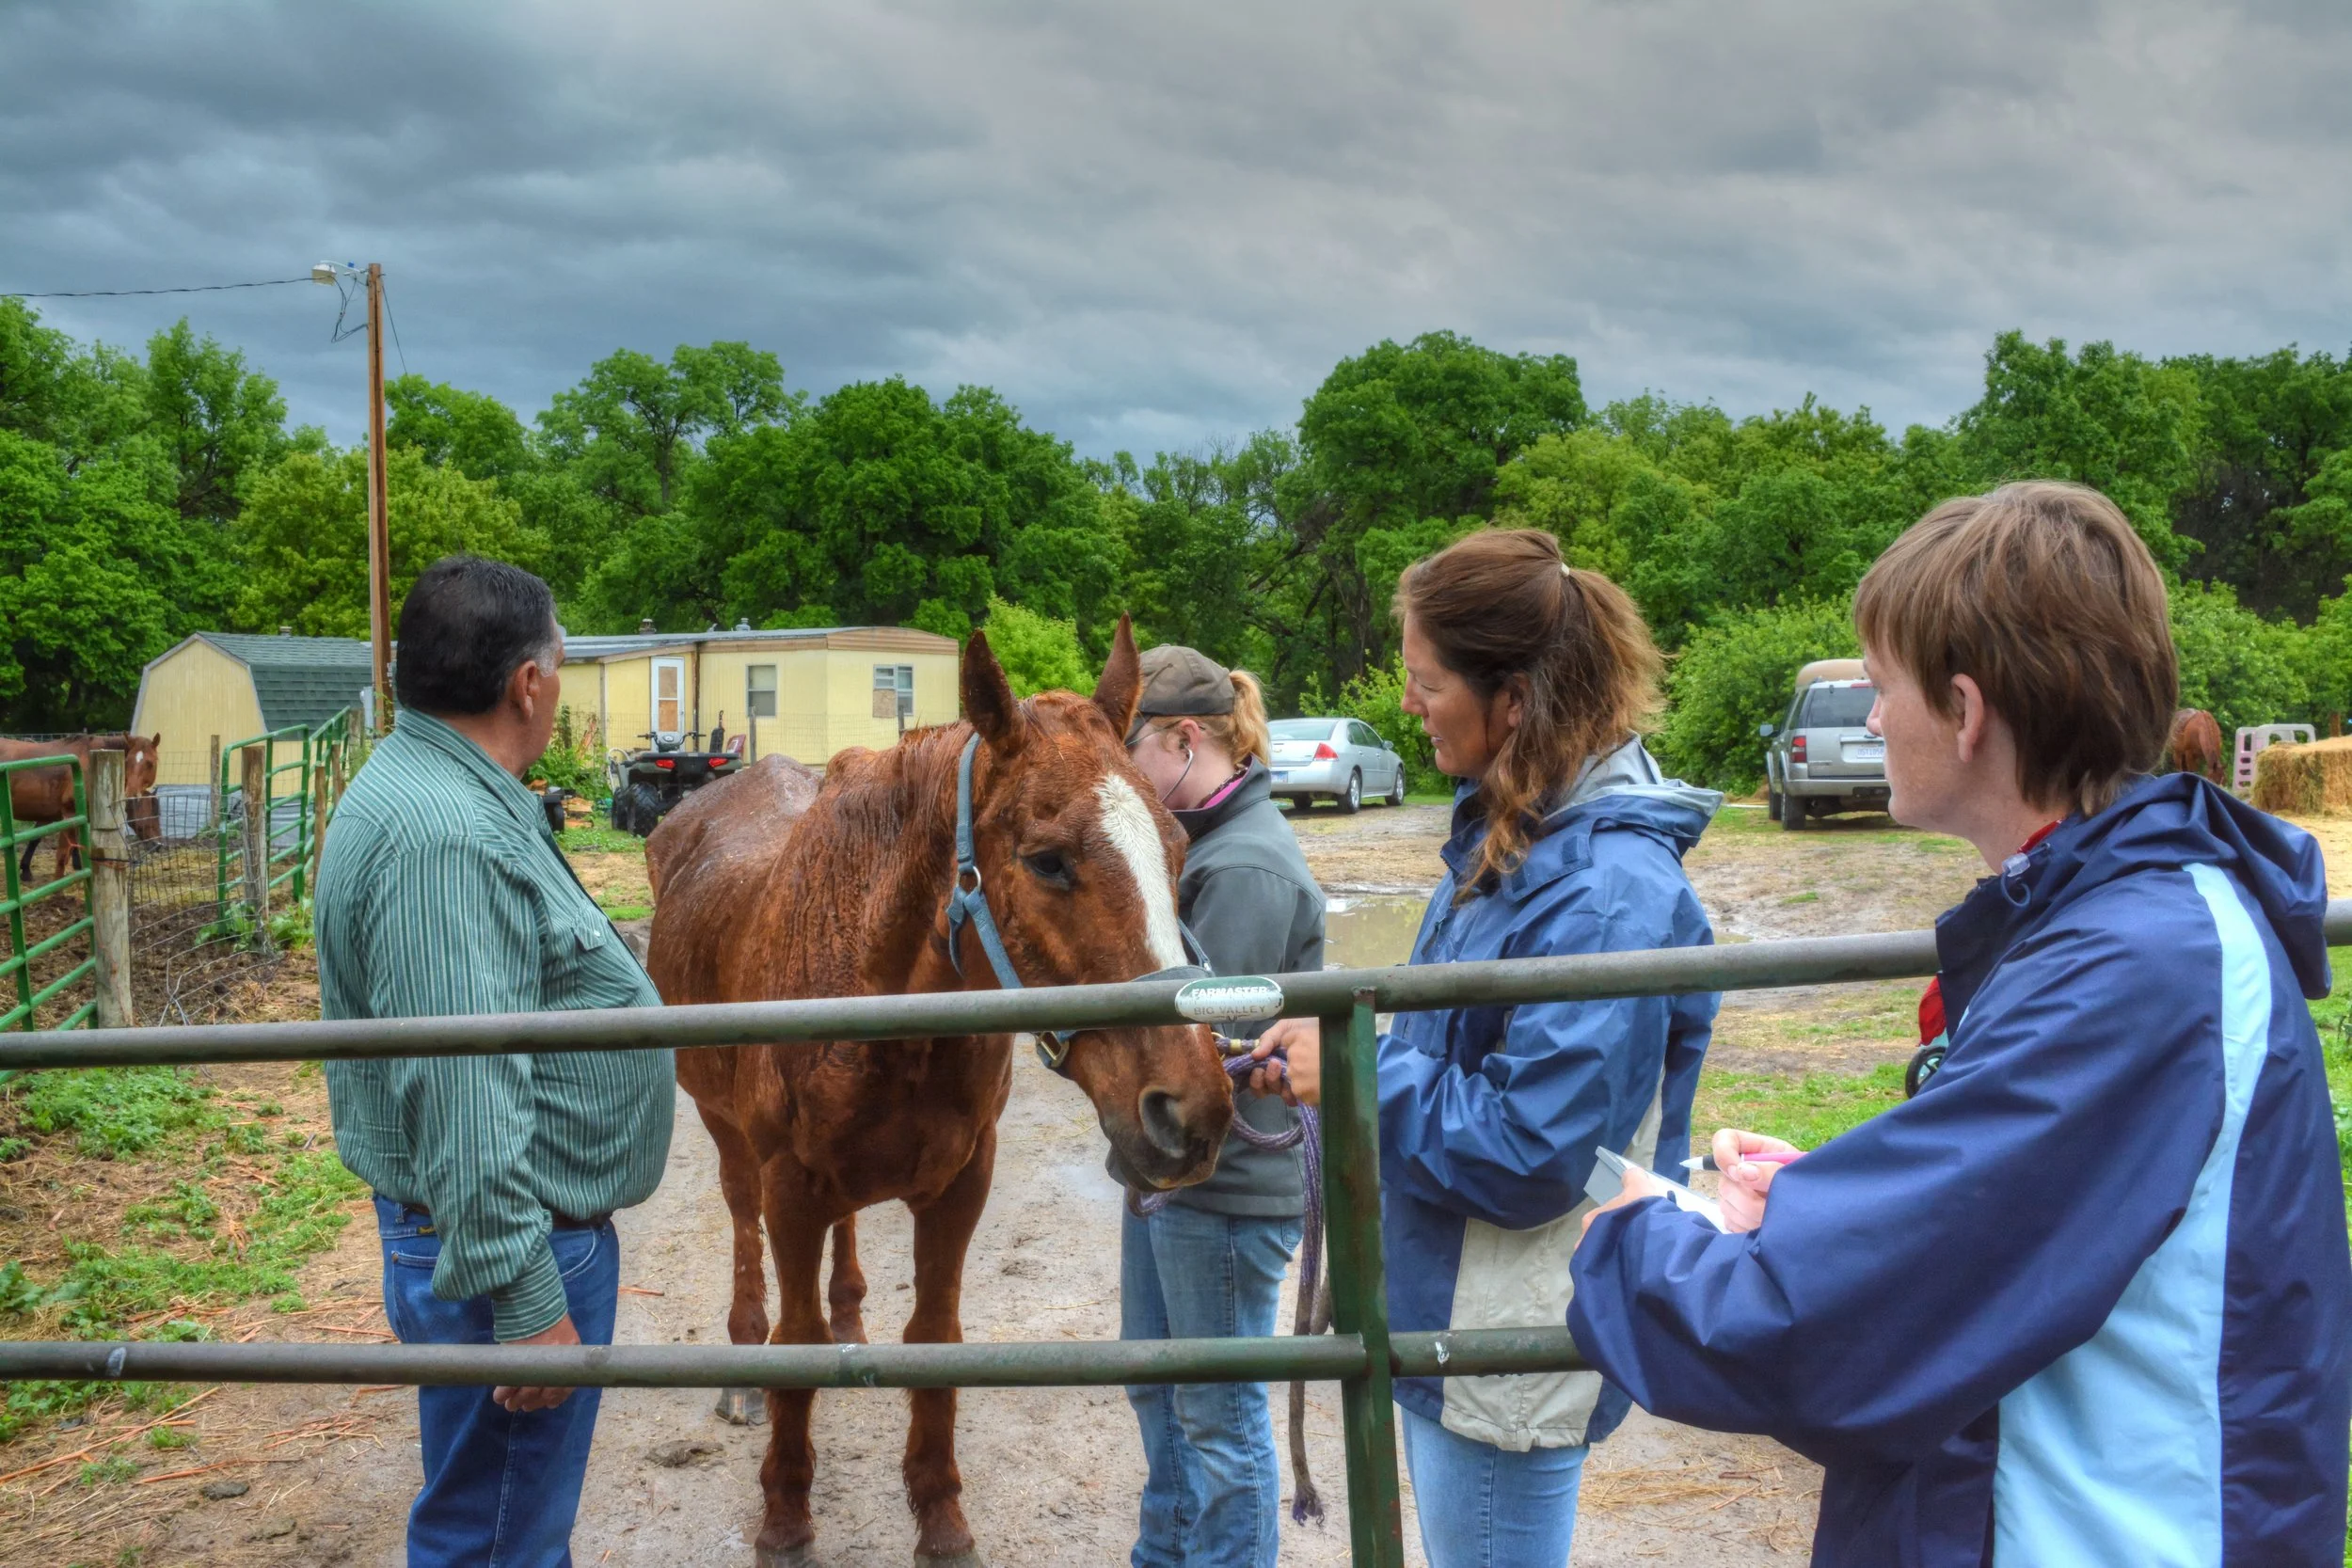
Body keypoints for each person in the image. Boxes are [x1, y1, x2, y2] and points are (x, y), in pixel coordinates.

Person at [1572, 482, 2352, 1565]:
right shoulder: (2119, 921)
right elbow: (2017, 1212)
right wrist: (1824, 1205)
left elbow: (1816, 1334)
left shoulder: (2128, 969)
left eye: (1880, 687)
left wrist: (1631, 1232)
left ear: (1965, 710)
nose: (1874, 717)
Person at [1250, 530, 1721, 1568]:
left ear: (1514, 699)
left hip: (1504, 1327)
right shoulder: (1513, 841)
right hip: (1453, 1304)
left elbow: (1537, 1148)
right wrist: (1348, 1059)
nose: (1407, 704)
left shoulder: (1605, 891)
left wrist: (1361, 1075)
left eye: (1425, 682)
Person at [317, 556, 675, 1567]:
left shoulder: (442, 787)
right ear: (528, 682)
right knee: (495, 1535)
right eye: (558, 663)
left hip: (493, 1230)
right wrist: (525, 1296)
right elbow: (462, 1084)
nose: (555, 683)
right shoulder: (444, 836)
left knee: (504, 1515)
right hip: (506, 1244)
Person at [1117, 643, 1324, 1568]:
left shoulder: (1244, 864)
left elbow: (1209, 1039)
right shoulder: (1197, 844)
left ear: (1183, 737)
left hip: (1225, 1178)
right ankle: (1162, 1554)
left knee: (1216, 1411)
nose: (1121, 776)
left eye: (1131, 754)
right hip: (1176, 1169)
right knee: (1159, 1386)